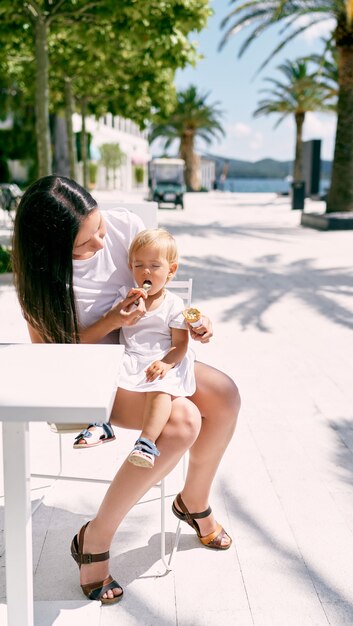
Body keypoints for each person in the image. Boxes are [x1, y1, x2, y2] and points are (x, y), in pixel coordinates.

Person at [12, 175, 240, 605]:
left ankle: (193, 501)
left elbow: (161, 282)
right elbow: (53, 356)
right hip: (88, 371)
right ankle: (94, 538)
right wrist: (111, 322)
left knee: (225, 395)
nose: (103, 243)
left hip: (140, 356)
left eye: (99, 228)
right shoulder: (40, 281)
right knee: (182, 421)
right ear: (51, 245)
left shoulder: (121, 226)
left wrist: (191, 319)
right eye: (86, 243)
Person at [118, 227, 197, 468]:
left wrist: (166, 363)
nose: (146, 272)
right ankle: (98, 423)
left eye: (154, 265)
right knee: (107, 370)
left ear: (170, 271)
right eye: (138, 265)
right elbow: (115, 320)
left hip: (161, 357)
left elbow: (180, 344)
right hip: (131, 355)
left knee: (161, 388)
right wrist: (125, 309)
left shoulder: (173, 303)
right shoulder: (125, 295)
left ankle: (146, 442)